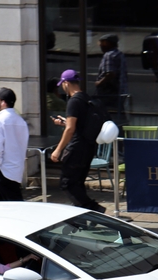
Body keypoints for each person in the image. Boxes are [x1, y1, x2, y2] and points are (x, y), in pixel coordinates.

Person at [50, 69, 105, 213]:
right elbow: (80, 124)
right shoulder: (87, 98)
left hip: (77, 148)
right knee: (78, 183)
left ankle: (94, 209)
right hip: (88, 147)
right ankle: (84, 216)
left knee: (67, 183)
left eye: (62, 84)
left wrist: (58, 150)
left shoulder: (73, 101)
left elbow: (70, 130)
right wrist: (64, 123)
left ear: (66, 83)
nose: (63, 87)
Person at [0, 87, 29, 201]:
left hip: (2, 170)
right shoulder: (21, 121)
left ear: (3, 102)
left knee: (15, 204)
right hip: (16, 170)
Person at [95, 34, 128, 117]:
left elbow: (110, 74)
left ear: (107, 44)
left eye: (101, 44)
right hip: (120, 91)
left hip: (109, 93)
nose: (100, 46)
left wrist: (99, 83)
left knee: (105, 114)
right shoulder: (120, 54)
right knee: (118, 114)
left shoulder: (109, 55)